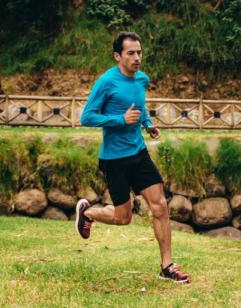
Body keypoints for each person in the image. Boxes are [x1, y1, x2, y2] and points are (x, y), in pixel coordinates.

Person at [75, 31, 190, 283]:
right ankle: (89, 214)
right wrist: (119, 120)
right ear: (118, 56)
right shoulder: (106, 81)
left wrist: (147, 123)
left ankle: (167, 266)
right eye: (131, 53)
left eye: (139, 52)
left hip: (138, 153)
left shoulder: (142, 80)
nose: (137, 57)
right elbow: (87, 116)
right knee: (123, 218)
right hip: (114, 159)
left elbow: (139, 107)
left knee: (160, 206)